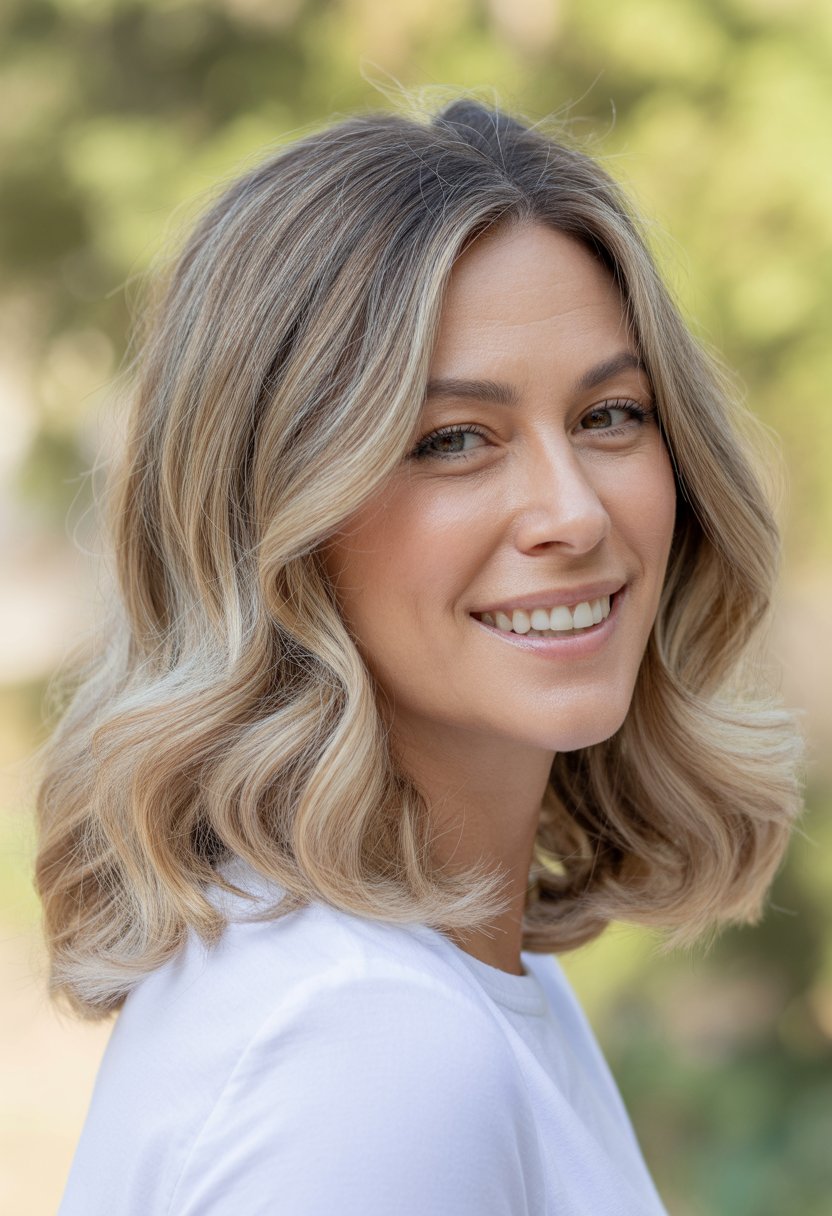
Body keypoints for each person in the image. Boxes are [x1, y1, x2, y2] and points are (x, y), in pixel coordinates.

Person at [34, 97, 802, 1215]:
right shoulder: (372, 1045)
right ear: (276, 518)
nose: (572, 512)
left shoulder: (452, 974)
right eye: (452, 440)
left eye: (611, 414)